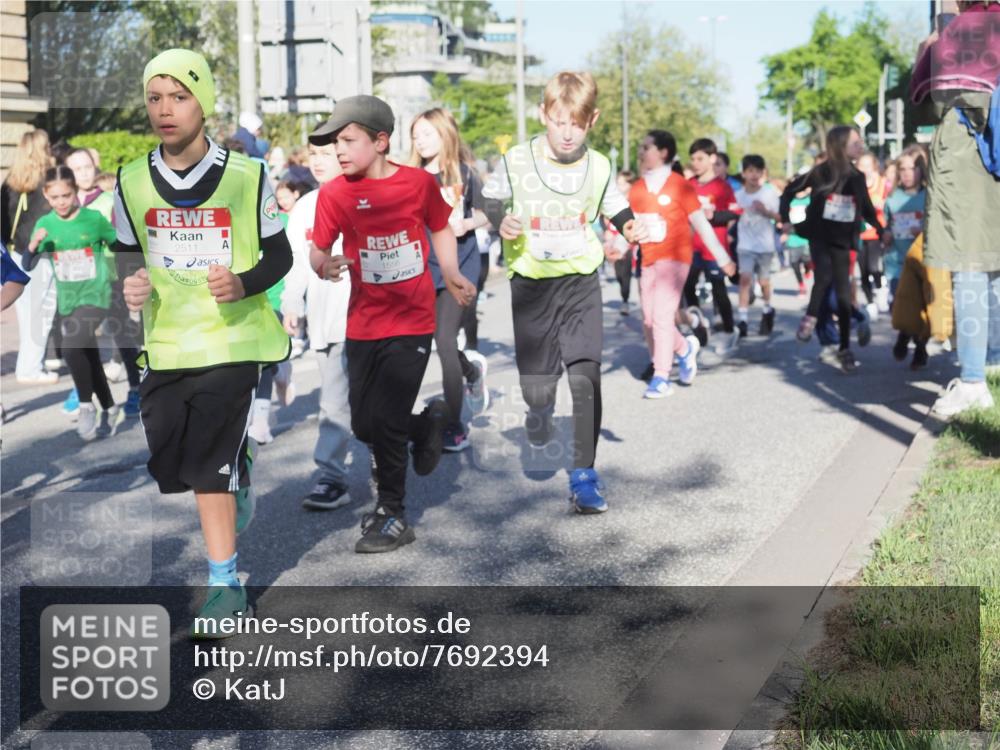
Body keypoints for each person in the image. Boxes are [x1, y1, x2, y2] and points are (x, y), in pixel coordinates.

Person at [116, 49, 292, 633]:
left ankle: (225, 585)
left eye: (180, 96)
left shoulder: (247, 175)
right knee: (177, 463)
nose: (165, 110)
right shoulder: (132, 179)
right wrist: (132, 284)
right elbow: (126, 252)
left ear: (205, 102)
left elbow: (280, 254)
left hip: (232, 340)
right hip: (167, 342)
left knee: (208, 467)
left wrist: (243, 282)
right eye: (155, 98)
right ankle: (236, 462)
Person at [309, 94, 477, 552]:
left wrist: (453, 272)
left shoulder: (418, 185)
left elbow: (440, 225)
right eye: (333, 144)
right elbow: (319, 249)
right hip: (363, 323)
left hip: (412, 318)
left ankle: (393, 514)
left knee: (383, 421)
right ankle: (426, 425)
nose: (338, 151)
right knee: (364, 423)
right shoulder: (335, 193)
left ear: (380, 141)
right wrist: (323, 266)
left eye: (348, 140)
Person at [483, 71, 648, 513]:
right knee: (537, 383)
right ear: (544, 115)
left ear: (591, 120)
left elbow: (613, 204)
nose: (568, 132)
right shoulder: (517, 159)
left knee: (586, 376)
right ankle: (538, 412)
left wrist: (629, 225)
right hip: (531, 282)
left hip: (580, 280)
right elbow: (491, 198)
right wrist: (501, 218)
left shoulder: (599, 165)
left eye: (577, 123)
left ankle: (584, 476)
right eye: (559, 122)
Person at [911, 0, 1000, 415]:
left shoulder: (953, 34)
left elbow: (928, 99)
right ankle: (995, 361)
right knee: (996, 266)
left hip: (967, 152)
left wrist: (932, 40)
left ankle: (972, 380)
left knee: (969, 265)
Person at [629, 131, 736, 398]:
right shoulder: (638, 188)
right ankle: (686, 349)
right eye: (641, 147)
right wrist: (618, 247)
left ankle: (661, 376)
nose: (641, 151)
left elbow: (701, 224)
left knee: (664, 316)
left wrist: (723, 259)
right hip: (648, 258)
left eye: (646, 147)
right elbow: (630, 223)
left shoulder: (680, 185)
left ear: (663, 152)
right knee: (649, 320)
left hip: (676, 258)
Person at [22, 166, 125, 439]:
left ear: (74, 192)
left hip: (97, 294)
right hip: (69, 300)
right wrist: (33, 245)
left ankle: (85, 405)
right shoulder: (46, 224)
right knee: (87, 356)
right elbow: (27, 263)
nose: (61, 202)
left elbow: (118, 245)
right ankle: (111, 407)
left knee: (70, 347)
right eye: (54, 197)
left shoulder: (92, 219)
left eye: (66, 195)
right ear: (46, 194)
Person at [409, 108, 490, 451]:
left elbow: (490, 213)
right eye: (416, 135)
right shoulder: (410, 177)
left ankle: (454, 427)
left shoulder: (464, 174)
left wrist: (467, 224)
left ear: (445, 134)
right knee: (428, 343)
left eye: (427, 133)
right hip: (422, 268)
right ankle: (471, 373)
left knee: (444, 341)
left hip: (460, 265)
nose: (421, 141)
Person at [281, 143, 354, 510]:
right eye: (314, 154)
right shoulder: (305, 208)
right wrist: (291, 305)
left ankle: (387, 463)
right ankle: (333, 477)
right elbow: (295, 262)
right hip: (326, 320)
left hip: (368, 318)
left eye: (327, 153)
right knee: (333, 404)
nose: (318, 161)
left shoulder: (364, 198)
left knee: (374, 403)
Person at [781, 126, 884, 373]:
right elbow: (789, 192)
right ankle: (811, 317)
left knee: (843, 293)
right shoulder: (821, 172)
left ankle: (845, 348)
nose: (861, 147)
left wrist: (881, 230)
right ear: (840, 145)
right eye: (855, 142)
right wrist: (786, 219)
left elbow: (868, 209)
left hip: (843, 238)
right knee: (824, 275)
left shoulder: (857, 177)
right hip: (819, 235)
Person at [65, 147, 142, 419]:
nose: (84, 173)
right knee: (79, 339)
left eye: (87, 167)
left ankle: (135, 388)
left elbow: (124, 240)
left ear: (94, 168)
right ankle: (84, 389)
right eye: (77, 168)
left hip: (110, 278)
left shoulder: (109, 200)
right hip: (76, 283)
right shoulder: (65, 205)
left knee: (121, 335)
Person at [1, 129, 60, 385]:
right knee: (41, 314)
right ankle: (30, 369)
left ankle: (29, 364)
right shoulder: (48, 182)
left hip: (14, 252)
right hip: (39, 256)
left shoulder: (10, 181)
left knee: (27, 315)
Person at [685, 138, 739, 353]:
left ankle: (729, 330)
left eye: (700, 158)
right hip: (691, 246)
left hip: (714, 249)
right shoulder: (689, 186)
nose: (696, 163)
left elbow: (735, 212)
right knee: (688, 285)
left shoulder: (722, 187)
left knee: (718, 290)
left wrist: (713, 215)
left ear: (713, 158)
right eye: (693, 159)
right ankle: (698, 324)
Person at [735, 154, 781, 338]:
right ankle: (743, 319)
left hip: (765, 245)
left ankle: (767, 309)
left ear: (763, 173)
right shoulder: (738, 195)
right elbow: (732, 215)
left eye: (758, 171)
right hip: (745, 244)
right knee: (745, 279)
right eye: (750, 171)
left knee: (763, 282)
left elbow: (779, 218)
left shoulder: (769, 193)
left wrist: (765, 211)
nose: (754, 175)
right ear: (744, 173)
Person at [856, 152, 889, 314]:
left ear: (874, 167)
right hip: (859, 233)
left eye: (868, 166)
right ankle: (870, 303)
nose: (865, 169)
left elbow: (891, 201)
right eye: (861, 166)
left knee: (874, 267)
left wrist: (882, 203)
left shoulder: (882, 184)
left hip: (876, 233)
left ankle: (880, 289)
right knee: (863, 271)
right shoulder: (854, 185)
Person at [603, 170, 639, 316]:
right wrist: (607, 231)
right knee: (619, 273)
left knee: (626, 273)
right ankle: (623, 291)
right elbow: (605, 217)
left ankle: (625, 300)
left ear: (630, 184)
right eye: (617, 183)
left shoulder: (635, 200)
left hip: (628, 241)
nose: (619, 186)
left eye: (622, 183)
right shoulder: (613, 200)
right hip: (613, 238)